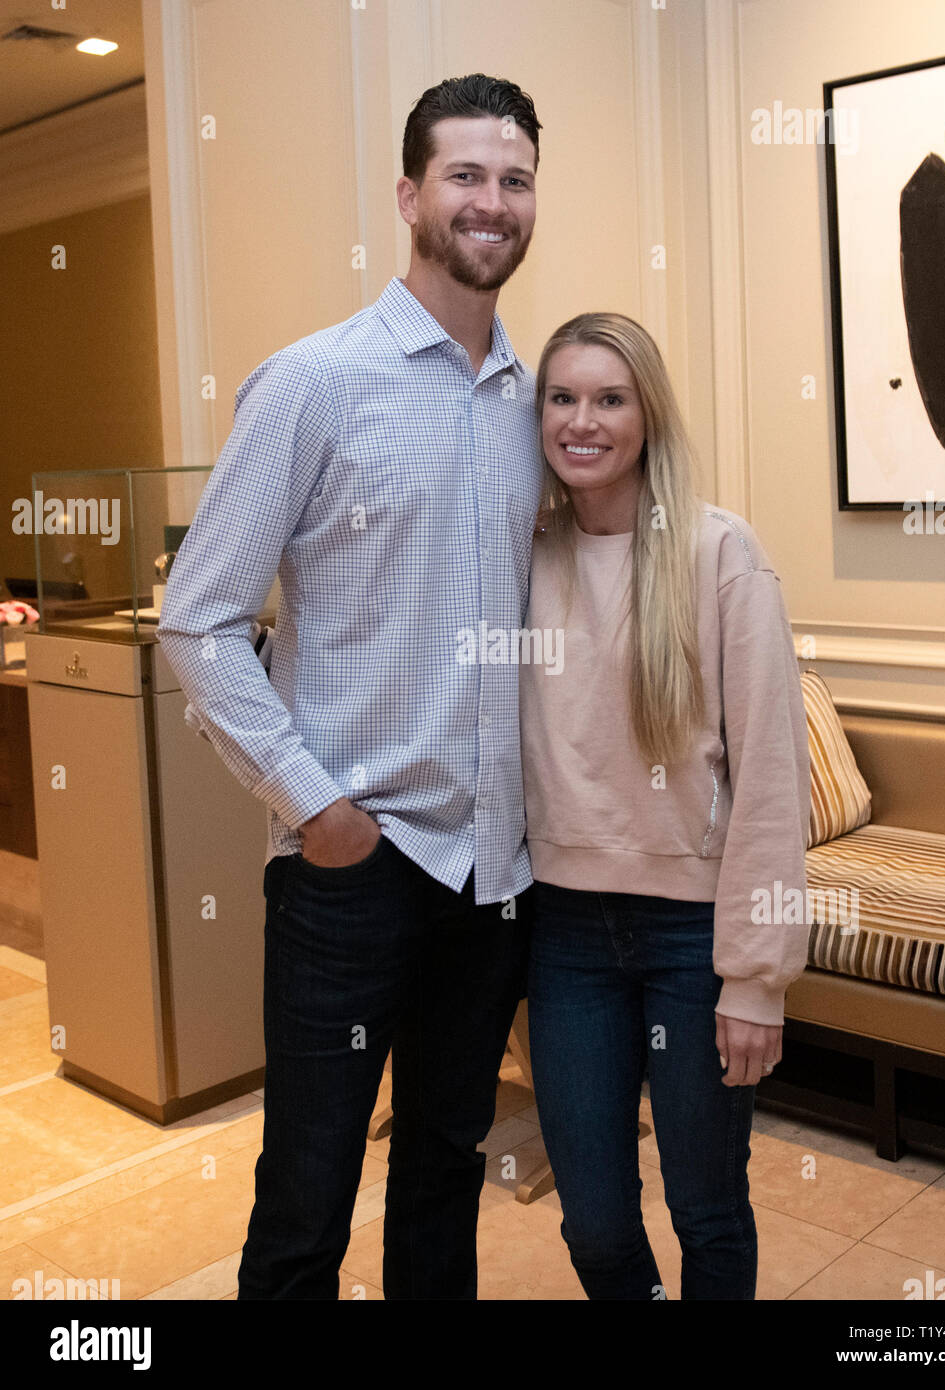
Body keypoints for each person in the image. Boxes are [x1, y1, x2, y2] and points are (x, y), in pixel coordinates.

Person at [157, 73, 544, 1300]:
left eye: (515, 177)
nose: (492, 201)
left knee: (443, 1170)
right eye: (466, 175)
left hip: (493, 877)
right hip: (352, 874)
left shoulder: (543, 406)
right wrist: (316, 807)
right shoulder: (314, 384)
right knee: (307, 1192)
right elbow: (198, 616)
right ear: (409, 195)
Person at [518, 313, 812, 1300]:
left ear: (648, 415)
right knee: (594, 1222)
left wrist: (757, 977)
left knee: (706, 1211)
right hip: (563, 935)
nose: (582, 421)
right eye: (562, 397)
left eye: (610, 398)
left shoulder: (719, 552)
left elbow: (771, 778)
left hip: (696, 941)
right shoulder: (522, 553)